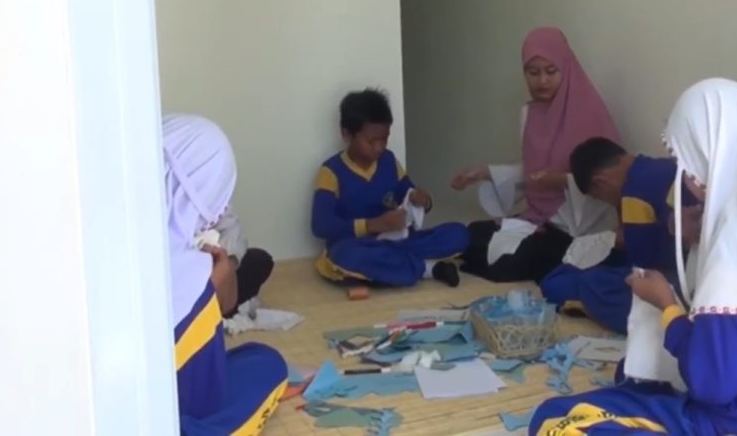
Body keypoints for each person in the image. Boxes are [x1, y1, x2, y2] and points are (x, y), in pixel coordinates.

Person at [530, 79, 737, 436]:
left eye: (684, 161)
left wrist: (668, 309)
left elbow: (715, 384)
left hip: (733, 425)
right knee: (633, 377)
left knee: (556, 419)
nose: (686, 176)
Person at [454, 26, 621, 283]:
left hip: (579, 228)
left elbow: (607, 182)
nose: (542, 81)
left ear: (566, 68)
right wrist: (485, 172)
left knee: (509, 263)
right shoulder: (529, 113)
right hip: (541, 220)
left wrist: (561, 180)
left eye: (551, 71)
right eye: (533, 73)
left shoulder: (591, 114)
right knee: (472, 233)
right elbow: (533, 171)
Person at [163, 113, 287, 435]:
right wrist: (210, 294)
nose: (218, 210)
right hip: (164, 404)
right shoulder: (191, 280)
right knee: (268, 366)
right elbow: (204, 395)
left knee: (254, 356)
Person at [539, 137, 702, 334]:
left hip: (678, 289)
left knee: (566, 283)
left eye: (598, 197)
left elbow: (641, 269)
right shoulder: (666, 166)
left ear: (601, 183)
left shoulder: (634, 193)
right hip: (698, 277)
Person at [311, 88, 468, 288]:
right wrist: (372, 225)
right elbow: (321, 225)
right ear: (346, 133)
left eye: (384, 139)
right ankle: (428, 268)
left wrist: (423, 201)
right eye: (371, 141)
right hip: (359, 245)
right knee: (347, 256)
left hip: (396, 240)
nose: (379, 147)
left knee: (459, 233)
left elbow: (408, 194)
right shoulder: (331, 171)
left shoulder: (388, 161)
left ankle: (394, 266)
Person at [210, 206, 274, 318]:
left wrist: (229, 263)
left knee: (260, 260)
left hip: (216, 261)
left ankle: (225, 311)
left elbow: (231, 227)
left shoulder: (215, 199)